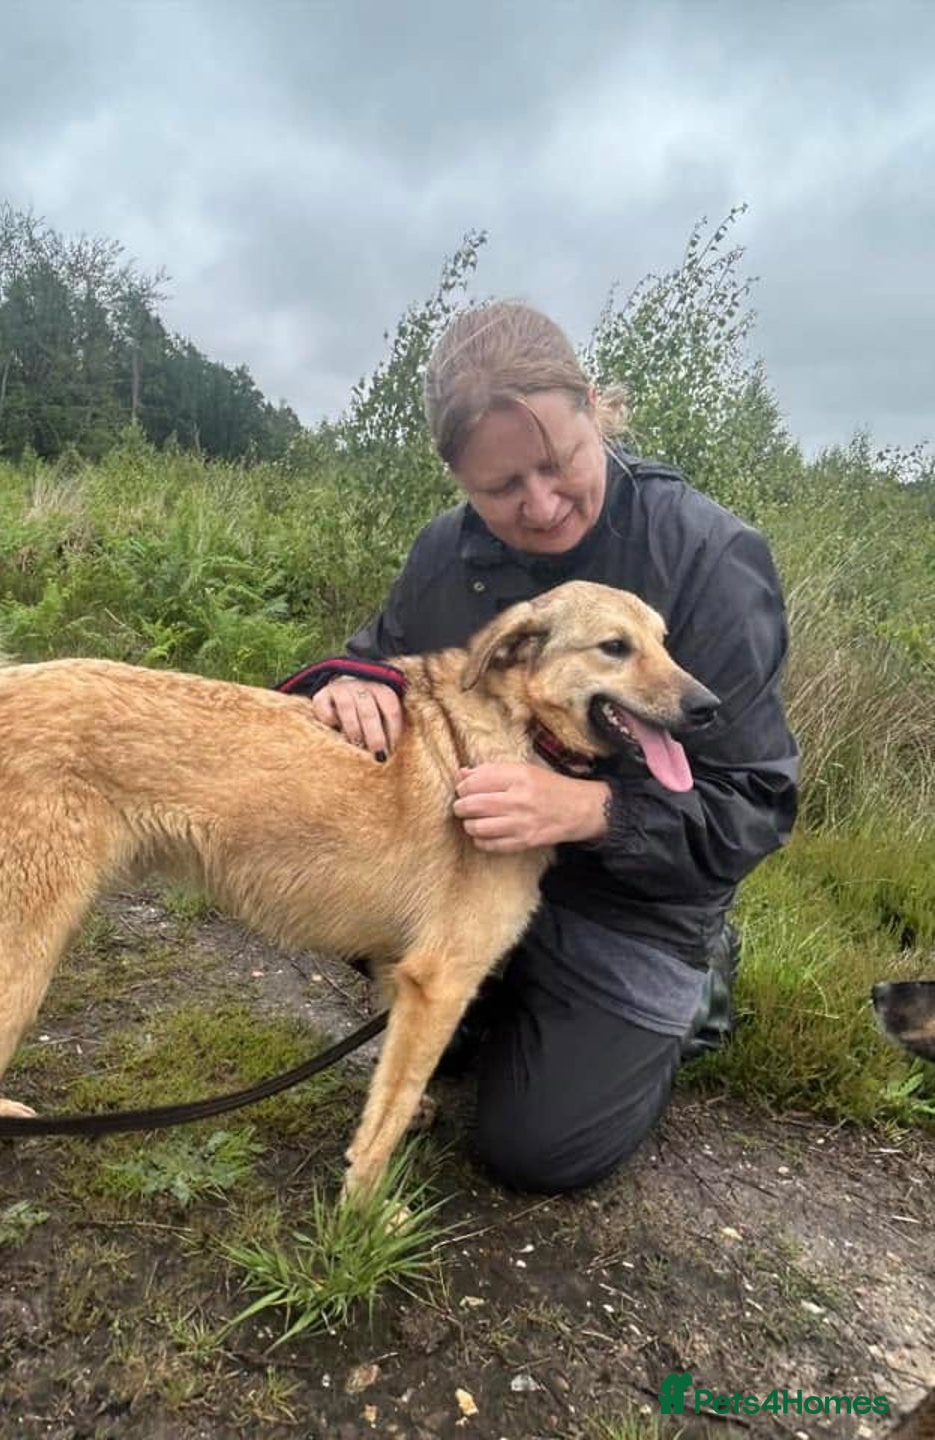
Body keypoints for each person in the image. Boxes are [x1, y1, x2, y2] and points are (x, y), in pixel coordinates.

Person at [310, 301, 799, 1194]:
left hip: (632, 904)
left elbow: (756, 804)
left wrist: (591, 810)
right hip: (478, 866)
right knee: (342, 874)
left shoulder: (710, 558)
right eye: (501, 488)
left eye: (559, 462)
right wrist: (346, 680)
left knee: (534, 1150)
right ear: (459, 479)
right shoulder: (445, 552)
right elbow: (376, 651)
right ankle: (490, 995)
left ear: (595, 411)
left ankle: (691, 993)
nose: (539, 506)